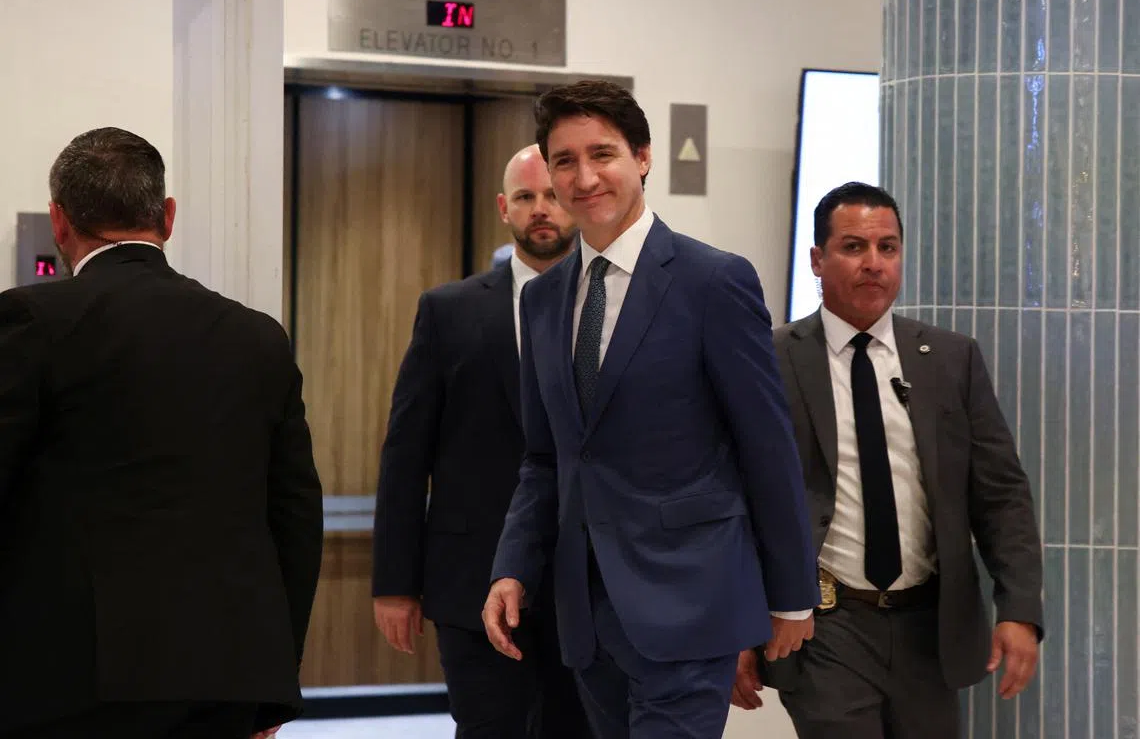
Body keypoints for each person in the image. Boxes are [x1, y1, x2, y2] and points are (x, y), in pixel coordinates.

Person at [482, 80, 819, 739]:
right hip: (586, 610)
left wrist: (792, 592)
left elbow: (767, 447)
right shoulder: (543, 301)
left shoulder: (714, 282)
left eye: (601, 154)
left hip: (692, 603)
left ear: (642, 157)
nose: (584, 177)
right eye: (564, 160)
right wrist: (513, 565)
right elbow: (544, 458)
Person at [0, 127, 324, 739]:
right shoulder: (257, 337)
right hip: (228, 676)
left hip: (68, 682)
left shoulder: (30, 323)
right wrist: (274, 678)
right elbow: (296, 516)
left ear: (59, 222)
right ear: (167, 217)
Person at [734, 181, 1044, 738]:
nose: (873, 263)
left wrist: (1019, 607)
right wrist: (736, 630)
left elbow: (1001, 493)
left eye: (888, 248)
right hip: (825, 624)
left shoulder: (951, 359)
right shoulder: (771, 360)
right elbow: (735, 499)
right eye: (853, 247)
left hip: (932, 624)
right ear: (817, 260)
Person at [372, 144, 588, 738]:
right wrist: (395, 582)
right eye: (525, 197)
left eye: (551, 195)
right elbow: (405, 452)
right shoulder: (449, 311)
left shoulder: (611, 306)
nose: (540, 209)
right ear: (503, 208)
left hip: (590, 581)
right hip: (470, 575)